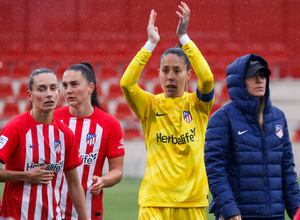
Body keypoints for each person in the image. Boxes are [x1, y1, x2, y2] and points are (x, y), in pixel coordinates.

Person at [120, 2, 214, 219]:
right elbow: (126, 84)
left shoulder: (198, 105)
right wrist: (150, 44)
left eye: (177, 71)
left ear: (188, 74)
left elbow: (207, 79)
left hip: (192, 204)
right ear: (159, 74)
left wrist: (184, 38)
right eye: (165, 71)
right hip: (154, 203)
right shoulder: (150, 106)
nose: (170, 77)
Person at [204, 54, 300, 220]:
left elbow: (286, 172)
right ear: (240, 81)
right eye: (253, 76)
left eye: (263, 75)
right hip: (239, 216)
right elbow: (215, 171)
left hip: (275, 216)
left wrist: (297, 210)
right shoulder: (221, 119)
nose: (260, 80)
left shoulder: (278, 118)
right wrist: (229, 209)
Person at [0, 68, 88, 219]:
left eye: (53, 88)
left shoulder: (65, 134)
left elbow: (74, 184)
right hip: (16, 216)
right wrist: (26, 175)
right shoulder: (14, 127)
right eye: (41, 89)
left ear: (58, 92)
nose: (48, 94)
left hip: (53, 216)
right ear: (30, 95)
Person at [54, 62, 125, 219]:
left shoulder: (110, 124)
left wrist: (103, 180)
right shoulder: (53, 119)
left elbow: (117, 170)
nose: (68, 90)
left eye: (74, 84)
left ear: (90, 88)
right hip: (53, 210)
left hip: (89, 210)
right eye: (64, 85)